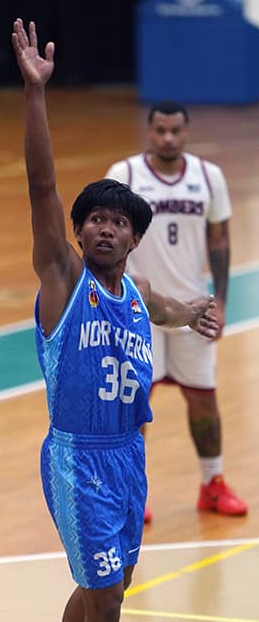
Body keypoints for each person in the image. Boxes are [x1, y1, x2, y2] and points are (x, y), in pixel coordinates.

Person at [11, 20, 219, 622]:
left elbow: (160, 305)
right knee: (104, 600)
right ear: (78, 232)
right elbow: (40, 185)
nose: (103, 226)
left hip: (128, 455)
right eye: (93, 218)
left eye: (117, 221)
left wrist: (190, 312)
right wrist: (34, 93)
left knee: (108, 587)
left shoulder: (134, 292)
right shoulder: (64, 282)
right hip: (75, 454)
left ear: (133, 236)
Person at [106, 102, 247, 522]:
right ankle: (130, 492)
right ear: (149, 132)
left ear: (186, 133)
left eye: (175, 131)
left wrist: (221, 302)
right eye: (160, 130)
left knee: (204, 399)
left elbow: (219, 241)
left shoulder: (209, 176)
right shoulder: (125, 175)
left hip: (193, 310)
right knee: (134, 406)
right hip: (137, 311)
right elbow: (106, 238)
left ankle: (213, 483)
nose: (168, 138)